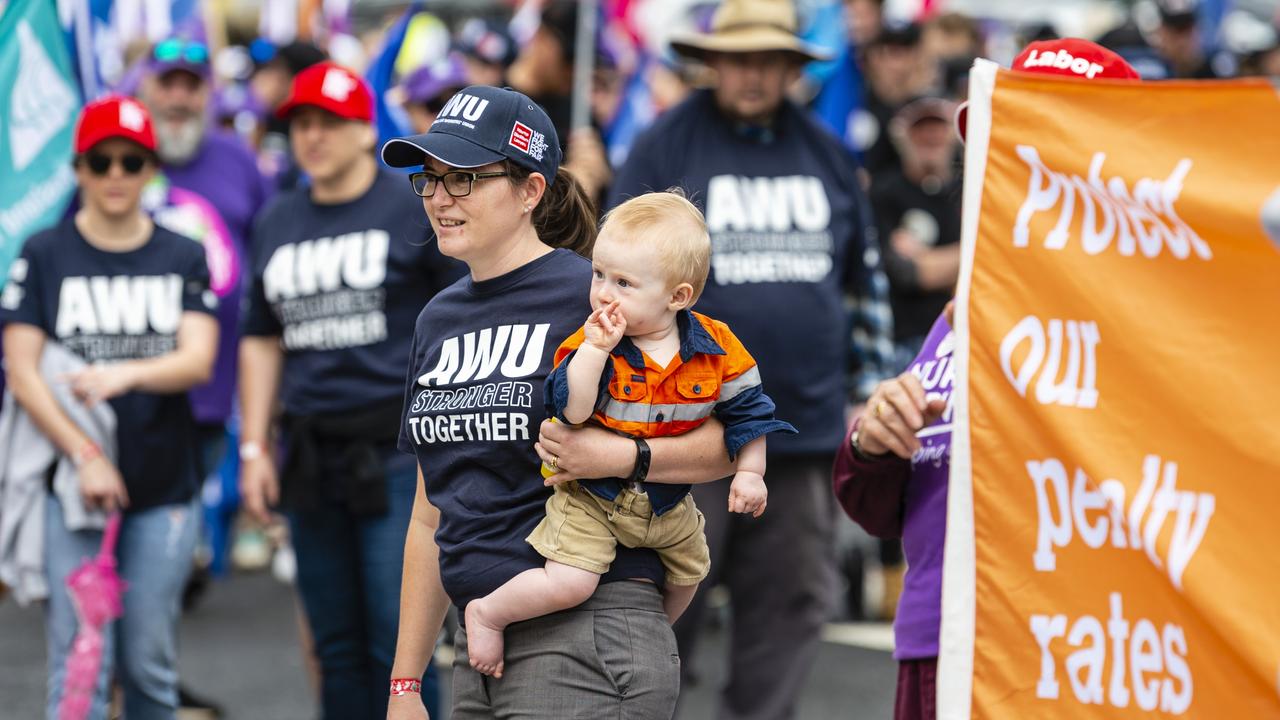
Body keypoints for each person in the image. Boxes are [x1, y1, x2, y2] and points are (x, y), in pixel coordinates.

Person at [380, 85, 740, 719]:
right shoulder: (436, 319)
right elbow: (428, 515)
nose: (439, 197)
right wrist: (405, 684)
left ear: (530, 191)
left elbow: (729, 435)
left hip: (590, 627)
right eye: (429, 178)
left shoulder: (600, 296)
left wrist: (619, 454)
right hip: (478, 641)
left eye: (463, 178)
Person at [833, 39, 1142, 720]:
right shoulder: (970, 304)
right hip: (940, 640)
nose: (1021, 163)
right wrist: (875, 443)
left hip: (1072, 653)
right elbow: (879, 503)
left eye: (1049, 136)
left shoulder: (1147, 313)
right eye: (1005, 139)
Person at [609, 1, 896, 716]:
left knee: (791, 604)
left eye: (769, 59)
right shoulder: (665, 146)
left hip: (800, 432)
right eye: (739, 58)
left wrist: (867, 392)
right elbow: (617, 276)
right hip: (683, 430)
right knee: (662, 607)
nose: (752, 73)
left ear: (793, 68)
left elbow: (863, 283)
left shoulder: (827, 152)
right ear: (713, 61)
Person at [462, 191, 796, 678]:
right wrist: (595, 352)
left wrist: (751, 473)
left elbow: (751, 412)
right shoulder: (593, 340)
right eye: (599, 274)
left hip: (667, 500)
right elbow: (572, 412)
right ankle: (488, 613)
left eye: (623, 282)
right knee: (572, 580)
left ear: (678, 297)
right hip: (590, 497)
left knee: (691, 572)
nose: (602, 292)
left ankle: (656, 638)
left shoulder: (717, 346)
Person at [237, 62, 461, 720]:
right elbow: (259, 335)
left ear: (366, 131)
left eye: (329, 122)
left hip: (399, 456)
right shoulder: (277, 219)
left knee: (400, 648)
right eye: (301, 123)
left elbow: (457, 317)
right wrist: (253, 447)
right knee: (334, 646)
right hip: (309, 456)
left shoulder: (412, 207)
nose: (313, 136)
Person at [0, 95, 218, 719]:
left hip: (162, 487)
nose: (117, 175)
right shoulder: (44, 253)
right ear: (79, 170)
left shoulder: (181, 252)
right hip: (72, 488)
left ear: (151, 167)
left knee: (150, 670)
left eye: (132, 160)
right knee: (79, 669)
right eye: (102, 162)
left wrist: (124, 375)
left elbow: (198, 359)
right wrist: (86, 453)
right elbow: (21, 371)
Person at [871, 96, 962, 367]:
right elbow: (904, 273)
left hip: (960, 336)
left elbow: (992, 264)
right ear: (904, 136)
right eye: (921, 128)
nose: (930, 136)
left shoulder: (970, 191)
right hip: (902, 343)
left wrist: (928, 260)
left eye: (938, 127)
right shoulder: (884, 192)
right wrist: (970, 254)